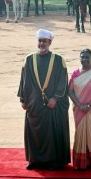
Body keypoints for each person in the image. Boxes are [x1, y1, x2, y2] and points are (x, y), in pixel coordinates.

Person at [17, 29, 70, 170]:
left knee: (52, 132)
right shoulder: (29, 59)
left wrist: (56, 98)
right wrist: (23, 99)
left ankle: (54, 162)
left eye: (44, 41)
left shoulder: (58, 60)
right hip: (34, 103)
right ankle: (34, 160)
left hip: (52, 103)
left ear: (50, 42)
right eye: (40, 41)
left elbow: (63, 81)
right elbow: (24, 80)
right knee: (34, 132)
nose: (41, 44)